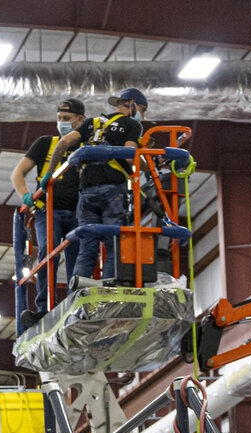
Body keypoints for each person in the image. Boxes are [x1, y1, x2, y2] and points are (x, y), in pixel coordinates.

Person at [11, 97, 92, 319]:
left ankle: (78, 306)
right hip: (48, 211)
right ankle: (45, 309)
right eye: (59, 118)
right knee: (48, 254)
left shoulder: (89, 147)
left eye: (66, 118)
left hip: (79, 212)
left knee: (79, 258)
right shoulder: (46, 143)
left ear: (80, 120)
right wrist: (26, 195)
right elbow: (17, 173)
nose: (62, 122)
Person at [70, 87, 148, 285]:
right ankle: (108, 291)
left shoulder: (91, 123)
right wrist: (149, 168)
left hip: (86, 189)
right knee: (114, 244)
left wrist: (48, 178)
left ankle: (77, 292)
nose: (142, 116)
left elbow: (64, 143)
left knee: (87, 245)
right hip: (112, 188)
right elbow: (131, 155)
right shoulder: (132, 124)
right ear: (133, 105)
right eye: (142, 110)